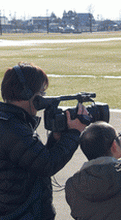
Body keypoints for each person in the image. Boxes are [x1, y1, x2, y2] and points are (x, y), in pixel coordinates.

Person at [0, 62, 87, 219]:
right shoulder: (12, 128)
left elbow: (33, 160)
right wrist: (74, 132)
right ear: (27, 93)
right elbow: (46, 164)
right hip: (19, 213)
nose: (43, 98)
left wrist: (55, 139)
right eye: (41, 93)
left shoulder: (12, 122)